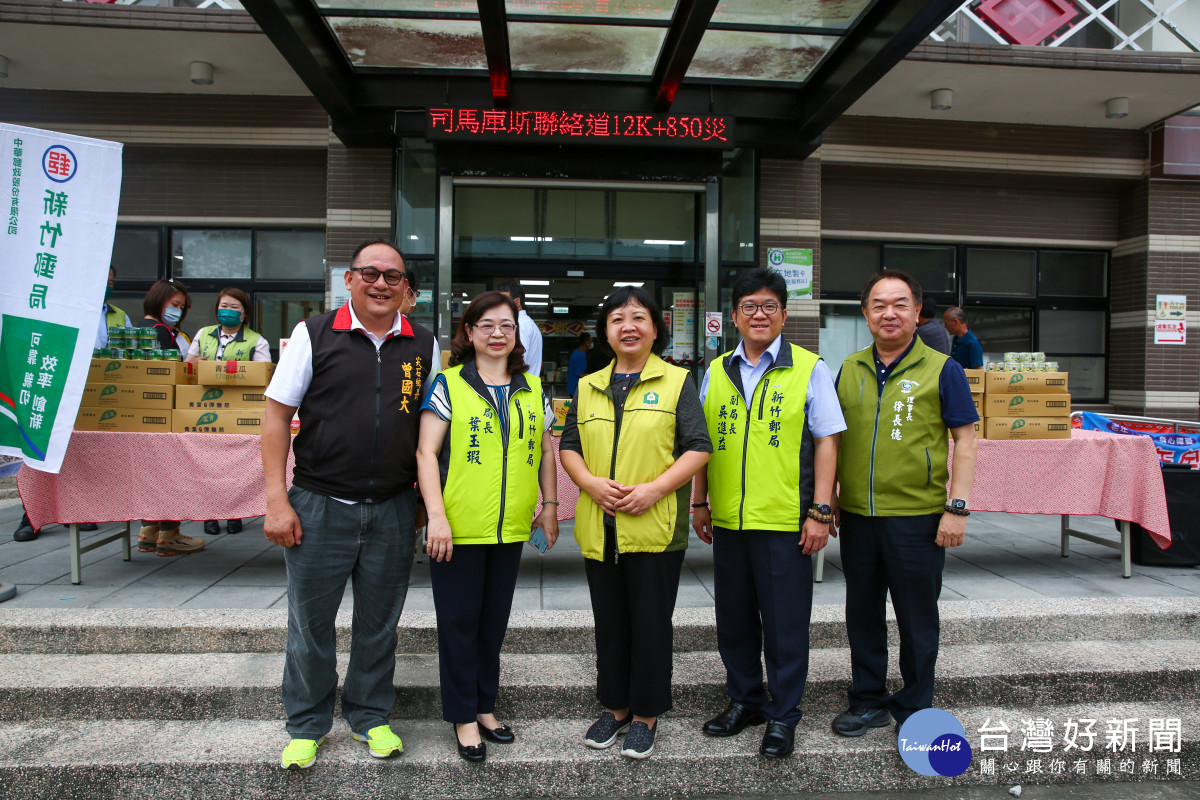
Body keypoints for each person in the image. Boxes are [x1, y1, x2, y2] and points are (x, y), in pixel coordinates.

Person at [262, 240, 440, 771]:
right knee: (310, 624)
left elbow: (431, 430)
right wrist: (276, 500)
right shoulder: (314, 334)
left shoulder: (424, 344)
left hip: (392, 508)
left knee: (379, 624)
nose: (381, 284)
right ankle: (306, 724)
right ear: (349, 279)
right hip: (319, 504)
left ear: (406, 287)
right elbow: (276, 418)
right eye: (370, 273)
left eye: (393, 276)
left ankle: (369, 714)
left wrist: (426, 502)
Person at [691, 268, 845, 759]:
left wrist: (821, 510)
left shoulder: (809, 368)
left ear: (784, 314)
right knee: (734, 621)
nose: (759, 315)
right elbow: (702, 444)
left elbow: (827, 441)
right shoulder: (716, 371)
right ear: (734, 316)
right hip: (731, 522)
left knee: (784, 626)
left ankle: (783, 715)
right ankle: (745, 700)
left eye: (769, 306)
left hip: (785, 521)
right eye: (749, 307)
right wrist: (699, 501)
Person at [559, 286, 712, 760]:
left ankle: (646, 714)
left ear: (655, 328)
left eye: (639, 317)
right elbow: (569, 445)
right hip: (600, 526)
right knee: (609, 624)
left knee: (650, 625)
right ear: (605, 331)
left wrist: (655, 490)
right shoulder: (588, 385)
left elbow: (699, 446)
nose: (628, 326)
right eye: (617, 319)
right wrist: (589, 483)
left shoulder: (677, 381)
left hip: (654, 527)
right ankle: (615, 707)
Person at [831, 270, 978, 738]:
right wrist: (830, 496)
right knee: (863, 615)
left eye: (899, 304)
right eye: (878, 305)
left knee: (917, 619)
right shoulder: (849, 367)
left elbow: (966, 440)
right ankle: (867, 700)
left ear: (917, 312)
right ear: (865, 313)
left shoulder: (943, 368)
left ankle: (915, 706)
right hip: (859, 517)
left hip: (918, 519)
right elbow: (833, 439)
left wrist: (957, 507)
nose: (888, 314)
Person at [416, 291, 560, 763]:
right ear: (469, 332)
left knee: (492, 625)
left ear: (517, 334)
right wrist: (436, 517)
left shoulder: (533, 387)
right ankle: (462, 716)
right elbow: (426, 453)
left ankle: (484, 706)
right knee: (459, 625)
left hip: (510, 528)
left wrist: (550, 506)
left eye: (507, 326)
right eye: (487, 325)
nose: (498, 334)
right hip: (457, 529)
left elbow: (545, 451)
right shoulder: (449, 383)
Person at [187, 287, 273, 536]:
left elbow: (263, 373)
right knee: (207, 467)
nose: (228, 311)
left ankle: (236, 514)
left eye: (234, 307)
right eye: (224, 306)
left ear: (244, 313)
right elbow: (188, 365)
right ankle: (210, 515)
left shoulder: (256, 340)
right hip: (205, 407)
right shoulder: (203, 334)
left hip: (239, 409)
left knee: (235, 468)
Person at [136, 278, 204, 557]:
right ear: (158, 300)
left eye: (181, 306)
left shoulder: (141, 329)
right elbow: (169, 373)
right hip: (165, 414)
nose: (177, 310)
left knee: (153, 475)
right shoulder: (160, 332)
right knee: (168, 473)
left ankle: (148, 531)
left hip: (146, 414)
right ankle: (169, 535)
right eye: (173, 304)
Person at [497, 281, 543, 379]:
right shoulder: (525, 323)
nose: (499, 306)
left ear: (517, 302)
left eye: (504, 301)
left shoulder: (521, 325)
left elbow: (518, 362)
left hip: (520, 385)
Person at [97, 265, 132, 348]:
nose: (106, 286)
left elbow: (130, 346)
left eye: (110, 283)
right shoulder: (76, 311)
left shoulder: (121, 315)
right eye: (103, 282)